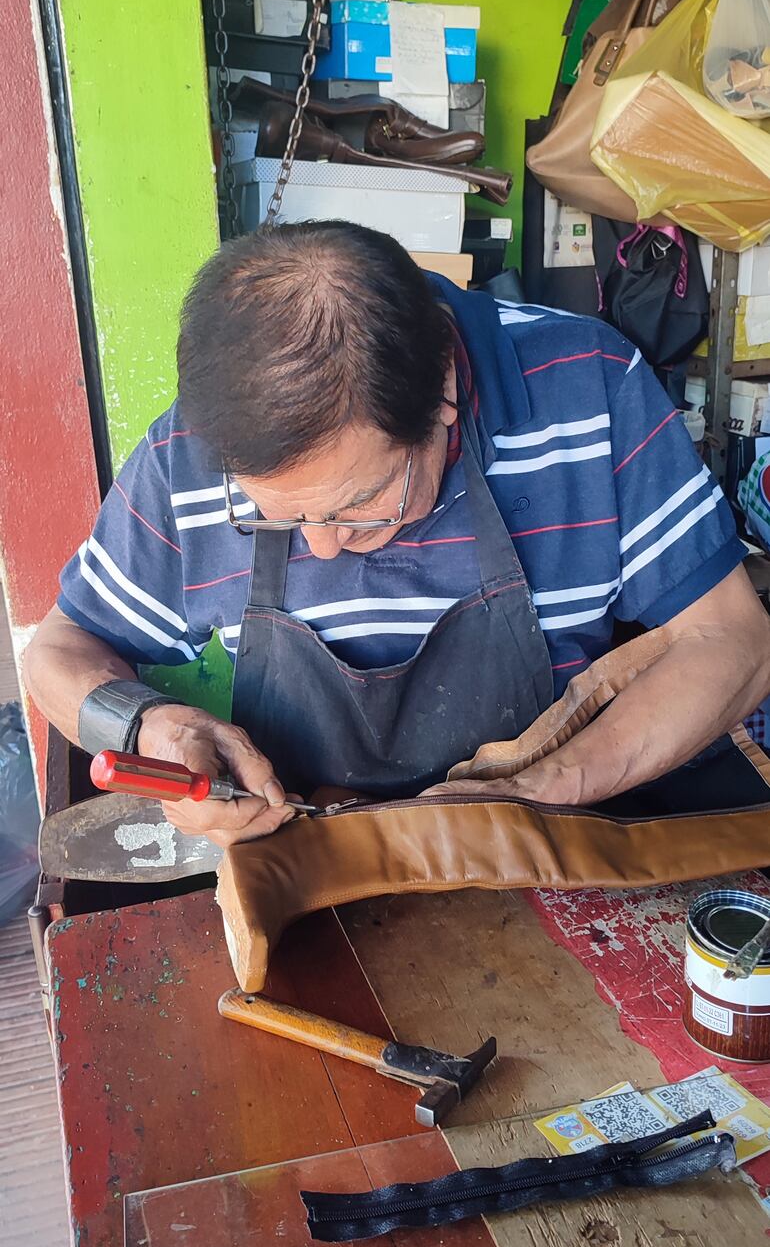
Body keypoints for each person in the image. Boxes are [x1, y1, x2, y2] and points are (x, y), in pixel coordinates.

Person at [25, 221, 770, 850]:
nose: (321, 547)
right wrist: (148, 728)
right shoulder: (186, 456)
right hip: (305, 871)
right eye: (281, 517)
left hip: (551, 851)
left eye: (359, 508)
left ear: (444, 394)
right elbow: (55, 655)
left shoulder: (589, 387)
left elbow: (734, 640)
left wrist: (558, 784)